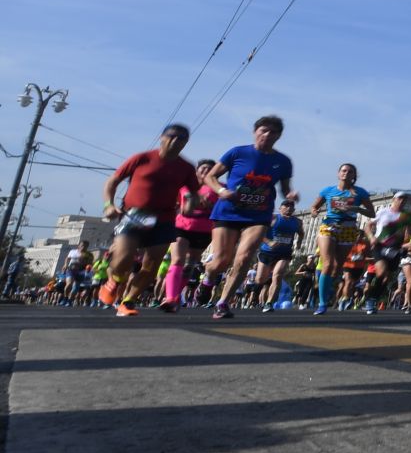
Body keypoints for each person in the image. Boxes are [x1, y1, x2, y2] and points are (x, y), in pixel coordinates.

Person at [100, 123, 201, 317]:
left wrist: (192, 203)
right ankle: (114, 281)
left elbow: (193, 193)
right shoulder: (142, 158)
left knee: (152, 264)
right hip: (134, 214)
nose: (176, 141)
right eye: (172, 136)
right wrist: (108, 205)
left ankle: (128, 301)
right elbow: (113, 181)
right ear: (161, 137)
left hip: (163, 218)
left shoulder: (186, 167)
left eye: (182, 138)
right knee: (124, 258)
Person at [203, 115, 296, 320]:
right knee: (221, 261)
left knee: (244, 257)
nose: (267, 135)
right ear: (255, 132)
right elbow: (210, 176)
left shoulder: (283, 162)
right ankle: (209, 275)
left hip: (258, 214)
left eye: (273, 132)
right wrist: (220, 190)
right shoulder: (238, 152)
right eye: (263, 130)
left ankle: (223, 302)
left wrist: (290, 195)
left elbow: (285, 188)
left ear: (279, 136)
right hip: (229, 211)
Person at [308, 163, 374, 315]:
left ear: (354, 176)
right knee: (328, 263)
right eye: (343, 171)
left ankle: (327, 286)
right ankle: (322, 303)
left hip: (348, 229)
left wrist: (356, 209)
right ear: (338, 174)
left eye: (350, 171)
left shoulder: (360, 192)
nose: (346, 173)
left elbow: (372, 213)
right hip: (329, 226)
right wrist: (314, 212)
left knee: (337, 268)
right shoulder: (328, 191)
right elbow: (313, 207)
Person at [163, 160, 222, 311]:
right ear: (196, 171)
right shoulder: (184, 186)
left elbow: (226, 207)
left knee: (189, 266)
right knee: (177, 260)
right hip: (181, 228)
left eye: (209, 170)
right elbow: (173, 203)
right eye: (202, 169)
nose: (205, 172)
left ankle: (176, 296)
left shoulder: (219, 188)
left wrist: (212, 206)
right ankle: (170, 297)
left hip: (204, 231)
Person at [365, 194, 410, 315]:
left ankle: (373, 298)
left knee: (386, 278)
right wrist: (371, 237)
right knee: (382, 272)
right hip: (379, 246)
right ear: (393, 200)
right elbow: (368, 225)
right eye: (400, 198)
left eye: (404, 199)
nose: (402, 201)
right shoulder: (383, 212)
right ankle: (370, 300)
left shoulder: (406, 216)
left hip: (394, 249)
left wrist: (406, 244)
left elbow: (407, 233)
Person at [255, 200, 304, 311]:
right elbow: (259, 233)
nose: (289, 208)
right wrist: (269, 242)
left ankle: (269, 303)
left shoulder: (297, 222)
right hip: (267, 252)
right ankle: (258, 295)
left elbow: (301, 233)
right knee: (259, 280)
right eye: (286, 206)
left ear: (294, 210)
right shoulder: (273, 218)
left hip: (284, 253)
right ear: (280, 208)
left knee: (277, 276)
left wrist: (299, 243)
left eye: (291, 206)